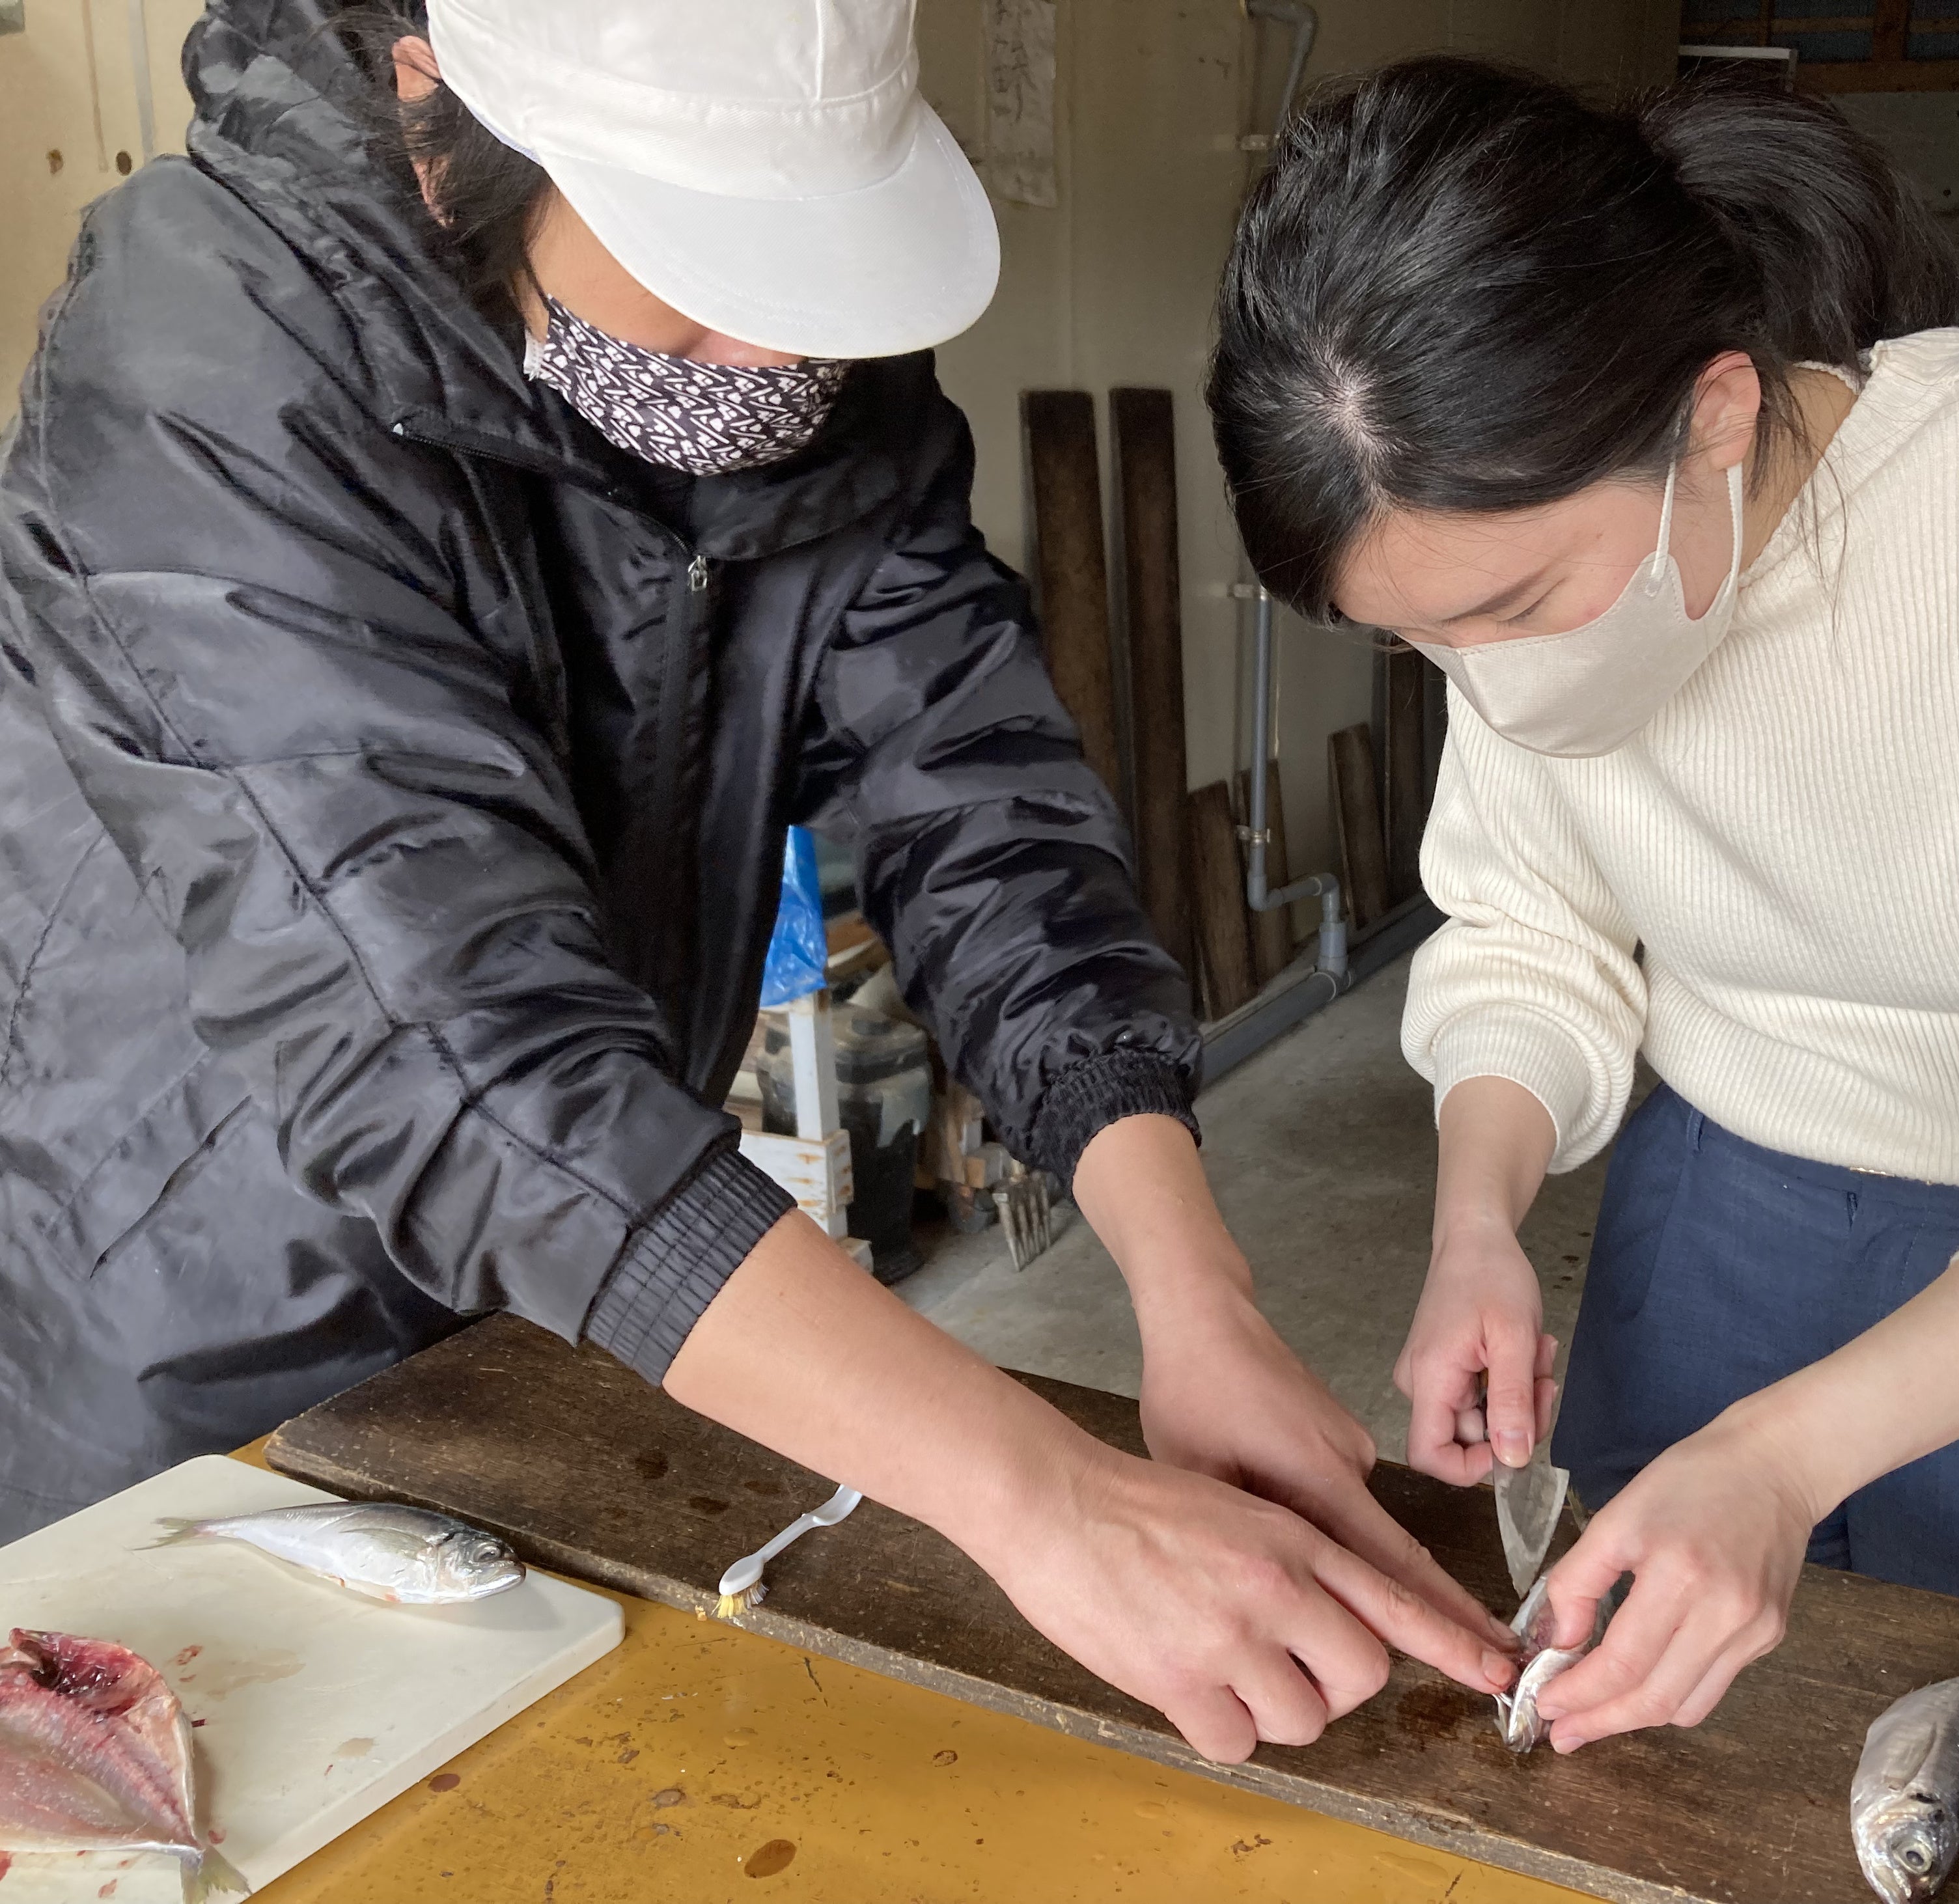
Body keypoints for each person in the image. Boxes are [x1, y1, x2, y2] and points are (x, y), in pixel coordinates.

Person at [0, 0, 1514, 1761]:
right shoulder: (208, 357)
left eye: (796, 276)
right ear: (439, 104)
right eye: (697, 272)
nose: (767, 352)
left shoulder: (801, 368)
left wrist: (1195, 1298)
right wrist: (1037, 1496)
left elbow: (983, 813)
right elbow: (441, 1044)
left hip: (572, 1290)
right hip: (190, 1295)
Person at [1208, 60, 1959, 1754]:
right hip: (1715, 1221)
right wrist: (1480, 1214)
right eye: (1416, 640)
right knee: (1655, 1761)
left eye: (1522, 604)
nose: (1488, 684)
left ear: (1714, 418)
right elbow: (1526, 929)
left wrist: (1780, 1454)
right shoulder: (1501, 558)